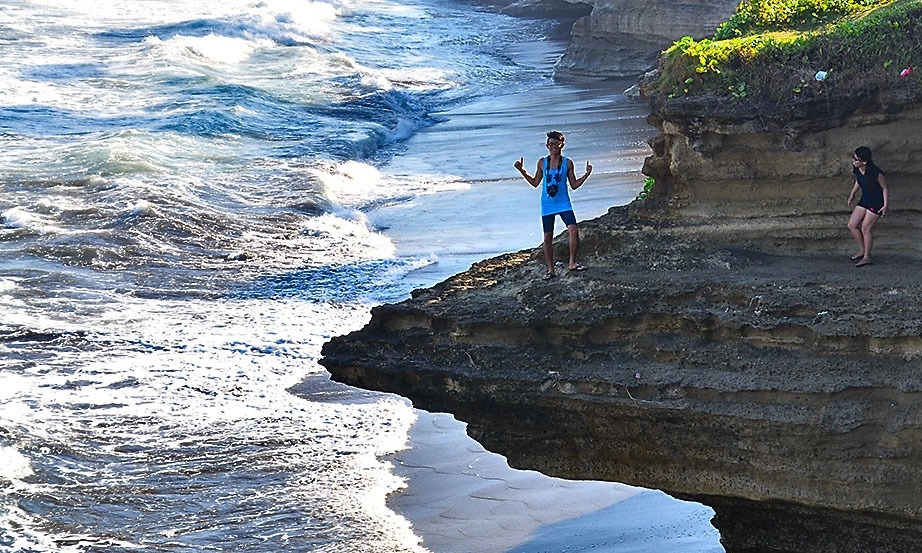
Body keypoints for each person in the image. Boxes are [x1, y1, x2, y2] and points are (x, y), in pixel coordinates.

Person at [514, 130, 592, 280]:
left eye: (556, 143)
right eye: (550, 144)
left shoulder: (567, 163)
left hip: (564, 203)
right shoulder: (542, 162)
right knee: (547, 238)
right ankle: (551, 270)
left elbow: (574, 185)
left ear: (562, 145)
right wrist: (522, 170)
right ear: (547, 146)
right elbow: (535, 183)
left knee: (573, 231)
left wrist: (586, 174)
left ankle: (572, 263)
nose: (553, 146)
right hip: (547, 204)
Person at [846, 146, 888, 267]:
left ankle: (867, 257)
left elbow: (884, 188)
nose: (853, 161)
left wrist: (885, 205)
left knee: (865, 228)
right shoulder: (857, 168)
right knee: (852, 225)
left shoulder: (876, 173)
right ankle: (863, 250)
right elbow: (859, 180)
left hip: (876, 202)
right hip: (865, 199)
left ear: (864, 161)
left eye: (856, 159)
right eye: (853, 157)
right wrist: (852, 194)